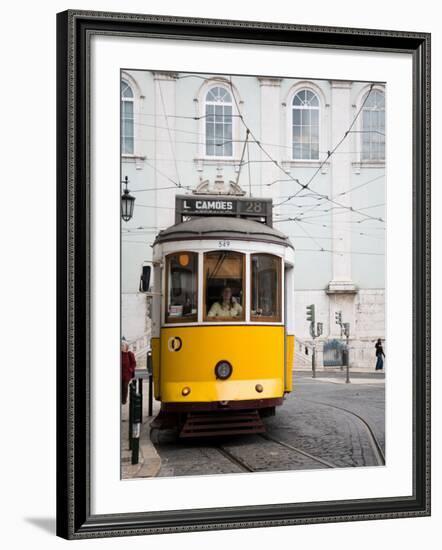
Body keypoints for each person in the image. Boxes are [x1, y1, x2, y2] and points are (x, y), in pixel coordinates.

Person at [121, 338, 136, 404]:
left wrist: (130, 369)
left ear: (126, 347)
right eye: (121, 346)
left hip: (127, 374)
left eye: (123, 346)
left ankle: (124, 400)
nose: (121, 347)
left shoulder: (130, 354)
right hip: (120, 373)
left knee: (125, 386)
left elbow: (134, 363)